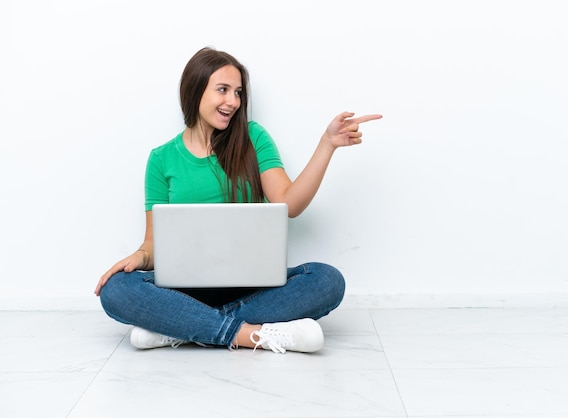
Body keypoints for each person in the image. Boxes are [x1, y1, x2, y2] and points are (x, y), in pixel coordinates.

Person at [94, 47, 382, 354]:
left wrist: (327, 145)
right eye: (223, 90)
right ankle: (249, 334)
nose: (233, 101)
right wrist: (139, 257)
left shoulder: (253, 137)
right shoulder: (162, 159)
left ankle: (182, 328)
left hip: (253, 286)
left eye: (238, 92)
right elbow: (154, 247)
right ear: (195, 90)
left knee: (327, 280)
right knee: (116, 289)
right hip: (186, 291)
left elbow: (290, 203)